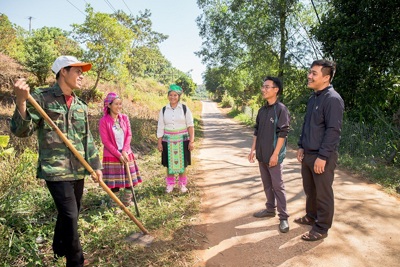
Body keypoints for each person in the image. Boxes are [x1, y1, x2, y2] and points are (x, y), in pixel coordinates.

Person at [10, 55, 103, 267]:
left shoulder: (81, 106)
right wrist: (21, 101)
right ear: (63, 71)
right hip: (55, 169)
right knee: (70, 216)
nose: (81, 76)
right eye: (77, 71)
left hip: (79, 168)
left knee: (71, 213)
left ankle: (59, 247)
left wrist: (96, 166)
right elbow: (21, 131)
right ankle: (75, 261)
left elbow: (87, 139)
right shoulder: (42, 98)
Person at [295, 59, 344, 241]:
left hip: (322, 156)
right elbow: (307, 125)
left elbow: (333, 130)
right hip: (308, 154)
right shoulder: (313, 98)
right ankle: (311, 216)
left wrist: (323, 156)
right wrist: (301, 145)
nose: (309, 76)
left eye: (314, 73)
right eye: (310, 72)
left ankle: (322, 227)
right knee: (310, 190)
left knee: (323, 193)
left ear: (326, 77)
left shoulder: (333, 99)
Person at [248, 76, 290, 233]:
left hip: (274, 157)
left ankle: (284, 217)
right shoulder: (262, 110)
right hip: (261, 155)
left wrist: (275, 154)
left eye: (267, 87)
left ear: (275, 90)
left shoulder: (281, 109)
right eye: (263, 87)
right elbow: (257, 131)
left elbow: (283, 133)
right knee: (267, 184)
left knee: (278, 186)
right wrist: (252, 149)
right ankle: (270, 209)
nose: (263, 89)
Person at [99, 92, 142, 210]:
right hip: (112, 155)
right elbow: (106, 141)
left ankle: (127, 202)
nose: (119, 106)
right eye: (116, 104)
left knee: (130, 181)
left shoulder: (124, 118)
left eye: (120, 104)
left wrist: (124, 151)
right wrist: (118, 154)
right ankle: (115, 206)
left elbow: (129, 135)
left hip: (126, 153)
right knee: (115, 184)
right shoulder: (104, 121)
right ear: (109, 105)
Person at [157, 84, 195, 193]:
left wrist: (191, 141)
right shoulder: (164, 110)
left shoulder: (184, 108)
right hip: (167, 141)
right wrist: (159, 143)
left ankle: (182, 185)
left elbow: (190, 125)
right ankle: (170, 184)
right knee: (170, 164)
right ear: (167, 96)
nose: (172, 97)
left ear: (178, 96)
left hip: (182, 140)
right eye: (170, 95)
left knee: (182, 164)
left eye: (175, 95)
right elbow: (160, 127)